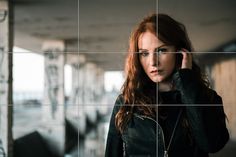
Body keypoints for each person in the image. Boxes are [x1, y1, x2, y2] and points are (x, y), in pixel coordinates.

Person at [105, 13, 229, 157]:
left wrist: (187, 83)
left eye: (162, 50)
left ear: (180, 52)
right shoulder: (127, 102)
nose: (153, 62)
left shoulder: (206, 98)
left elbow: (212, 144)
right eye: (144, 53)